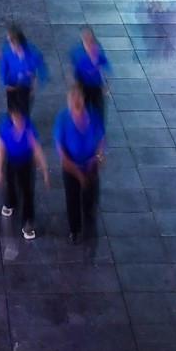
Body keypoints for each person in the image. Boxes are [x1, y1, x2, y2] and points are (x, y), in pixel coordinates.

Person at [54, 83, 105, 243]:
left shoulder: (94, 115)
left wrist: (98, 157)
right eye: (72, 97)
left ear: (84, 98)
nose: (76, 100)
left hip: (90, 166)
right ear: (68, 100)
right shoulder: (62, 119)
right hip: (71, 167)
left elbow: (101, 139)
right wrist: (77, 173)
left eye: (79, 97)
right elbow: (61, 150)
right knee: (72, 199)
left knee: (90, 199)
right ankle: (75, 230)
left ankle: (89, 223)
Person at [0, 102, 48, 240]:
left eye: (20, 117)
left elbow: (36, 149)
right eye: (15, 116)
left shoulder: (29, 129)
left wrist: (44, 169)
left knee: (28, 192)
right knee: (10, 186)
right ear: (11, 117)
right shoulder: (6, 129)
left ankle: (28, 222)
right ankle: (10, 202)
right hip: (12, 163)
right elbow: (1, 150)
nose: (18, 119)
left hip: (26, 164)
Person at [0, 23, 47, 115]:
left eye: (12, 41)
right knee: (12, 108)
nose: (11, 44)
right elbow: (3, 67)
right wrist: (4, 82)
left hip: (26, 84)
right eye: (9, 40)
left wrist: (37, 83)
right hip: (12, 83)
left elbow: (42, 67)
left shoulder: (31, 51)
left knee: (24, 108)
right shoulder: (7, 50)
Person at [69, 26, 111, 123]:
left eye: (89, 37)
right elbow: (73, 69)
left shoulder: (98, 49)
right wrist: (75, 85)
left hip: (97, 85)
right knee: (84, 109)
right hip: (83, 85)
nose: (87, 40)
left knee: (99, 110)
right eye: (84, 38)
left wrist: (107, 83)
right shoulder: (77, 51)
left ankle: (99, 131)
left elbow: (104, 66)